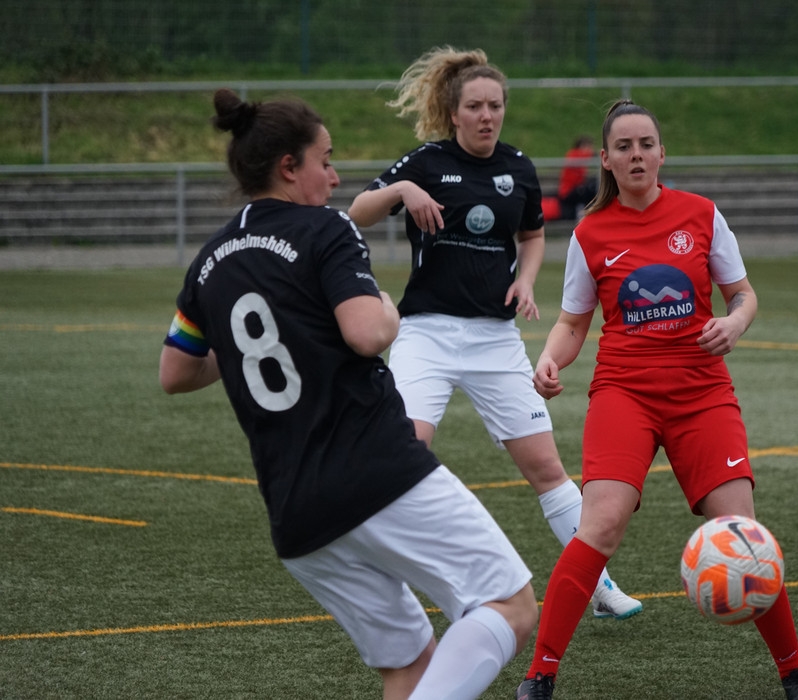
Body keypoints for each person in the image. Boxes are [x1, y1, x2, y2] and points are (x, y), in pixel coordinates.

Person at [158, 87, 538, 700]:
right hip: (375, 470)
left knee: (410, 665)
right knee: (510, 605)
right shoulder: (325, 228)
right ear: (289, 167)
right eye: (326, 161)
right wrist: (388, 307)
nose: (335, 178)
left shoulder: (209, 261)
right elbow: (367, 334)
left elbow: (176, 370)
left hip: (294, 509)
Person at [514, 100, 798, 700]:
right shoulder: (589, 232)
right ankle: (540, 677)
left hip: (702, 393)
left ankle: (796, 674)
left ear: (662, 153)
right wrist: (550, 358)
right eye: (624, 147)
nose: (636, 155)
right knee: (600, 524)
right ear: (605, 160)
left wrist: (734, 324)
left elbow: (743, 295)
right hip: (623, 393)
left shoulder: (702, 215)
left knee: (742, 531)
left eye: (646, 144)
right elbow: (573, 323)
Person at [348, 46, 642, 621]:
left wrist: (526, 280)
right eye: (475, 107)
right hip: (427, 333)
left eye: (496, 106)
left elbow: (531, 236)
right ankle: (390, 582)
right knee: (405, 452)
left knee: (548, 470)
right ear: (453, 113)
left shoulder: (519, 168)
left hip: (495, 339)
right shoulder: (427, 161)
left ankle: (599, 585)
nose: (487, 116)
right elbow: (358, 210)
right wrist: (402, 191)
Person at [541, 135, 598, 222]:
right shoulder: (574, 154)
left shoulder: (579, 156)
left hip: (575, 188)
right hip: (568, 191)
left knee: (592, 187)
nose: (590, 149)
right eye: (589, 147)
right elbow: (587, 154)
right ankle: (583, 213)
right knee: (589, 190)